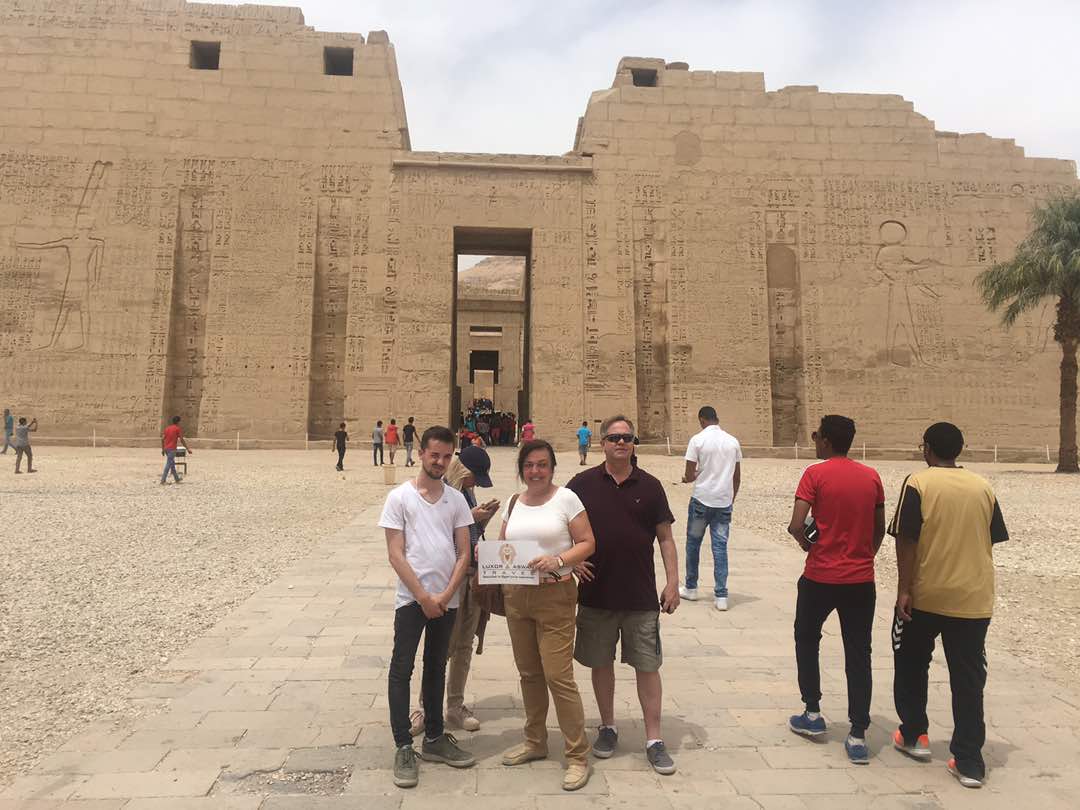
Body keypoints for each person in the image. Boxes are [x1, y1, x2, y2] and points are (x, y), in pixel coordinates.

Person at [888, 422, 1008, 789]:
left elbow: (906, 539)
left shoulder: (918, 483)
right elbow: (993, 536)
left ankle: (914, 735)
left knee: (909, 663)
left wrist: (903, 589)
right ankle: (969, 760)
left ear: (926, 449)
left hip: (927, 594)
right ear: (960, 449)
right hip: (973, 598)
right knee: (969, 679)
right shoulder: (982, 486)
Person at [568, 415, 680, 775]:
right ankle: (608, 726)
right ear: (602, 442)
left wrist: (673, 581)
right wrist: (568, 564)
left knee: (648, 667)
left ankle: (654, 738)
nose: (621, 443)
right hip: (596, 592)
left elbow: (665, 537)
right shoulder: (581, 484)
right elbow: (560, 528)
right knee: (601, 664)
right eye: (614, 437)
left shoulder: (650, 486)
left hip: (640, 593)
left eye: (627, 438)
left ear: (634, 443)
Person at [379, 426, 477, 789]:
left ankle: (434, 738)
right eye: (435, 455)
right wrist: (423, 595)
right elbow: (395, 553)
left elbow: (463, 551)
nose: (440, 461)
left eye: (446, 456)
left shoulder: (456, 500)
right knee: (401, 667)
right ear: (421, 453)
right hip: (412, 599)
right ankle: (404, 744)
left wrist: (447, 593)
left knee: (436, 666)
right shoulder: (399, 497)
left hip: (446, 599)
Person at [784, 415, 885, 764]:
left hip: (820, 576)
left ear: (825, 441)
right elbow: (879, 528)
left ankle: (812, 712)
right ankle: (858, 733)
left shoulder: (815, 474)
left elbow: (798, 523)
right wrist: (864, 554)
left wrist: (806, 544)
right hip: (860, 579)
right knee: (859, 653)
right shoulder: (871, 476)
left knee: (807, 638)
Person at [500, 440, 597, 791]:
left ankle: (577, 754)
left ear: (552, 468)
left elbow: (588, 541)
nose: (535, 471)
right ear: (522, 469)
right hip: (517, 596)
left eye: (542, 464)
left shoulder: (566, 499)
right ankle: (535, 741)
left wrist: (558, 560)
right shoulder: (514, 502)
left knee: (558, 675)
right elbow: (502, 545)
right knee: (529, 673)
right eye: (529, 465)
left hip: (555, 594)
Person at [408, 445, 500, 738]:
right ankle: (424, 707)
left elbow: (469, 534)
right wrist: (470, 515)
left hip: (473, 577)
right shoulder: (441, 493)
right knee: (442, 646)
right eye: (475, 476)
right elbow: (433, 535)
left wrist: (482, 517)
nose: (477, 483)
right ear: (462, 470)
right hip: (451, 579)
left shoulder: (465, 492)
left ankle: (455, 706)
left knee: (464, 645)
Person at [680, 405, 742, 611]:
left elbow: (689, 474)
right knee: (720, 547)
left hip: (701, 501)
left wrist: (688, 478)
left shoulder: (697, 440)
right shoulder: (732, 442)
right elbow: (736, 476)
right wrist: (730, 498)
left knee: (693, 544)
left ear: (702, 420)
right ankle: (721, 596)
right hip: (723, 503)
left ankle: (691, 587)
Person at [160, 416, 189, 484]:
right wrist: (187, 448)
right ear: (178, 422)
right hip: (172, 449)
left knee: (172, 464)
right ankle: (163, 480)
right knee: (168, 464)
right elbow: (181, 440)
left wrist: (163, 449)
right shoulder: (177, 429)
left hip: (166, 449)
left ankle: (177, 479)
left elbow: (162, 439)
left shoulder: (167, 428)